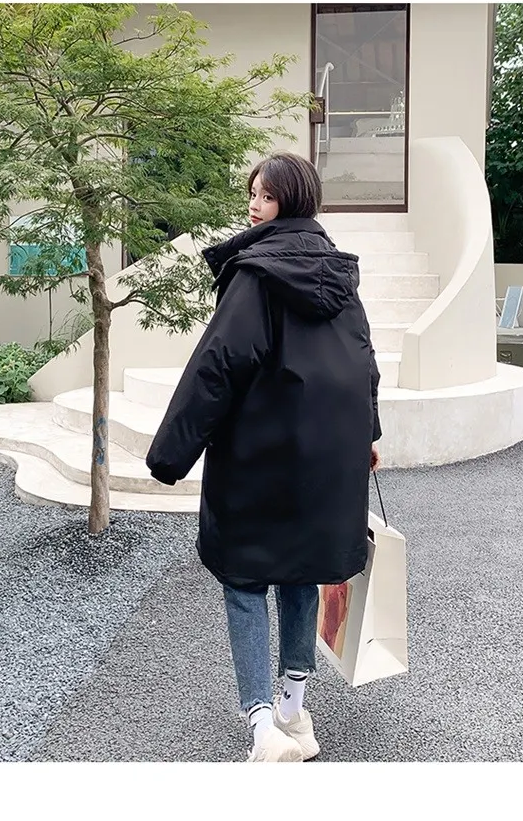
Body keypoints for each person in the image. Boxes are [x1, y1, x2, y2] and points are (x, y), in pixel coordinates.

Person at [145, 151, 382, 762]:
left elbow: (218, 365)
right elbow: (363, 363)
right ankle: (295, 716)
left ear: (292, 200)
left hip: (259, 458)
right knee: (302, 573)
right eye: (252, 193)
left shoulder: (256, 274)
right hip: (324, 460)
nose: (254, 205)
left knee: (246, 580)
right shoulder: (339, 276)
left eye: (267, 196)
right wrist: (368, 437)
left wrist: (170, 454)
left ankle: (262, 730)